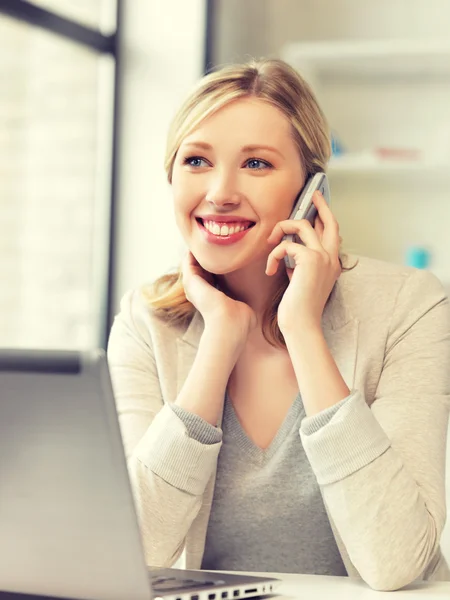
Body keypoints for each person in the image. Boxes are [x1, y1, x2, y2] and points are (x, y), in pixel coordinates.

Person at [107, 59, 450, 591]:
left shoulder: (410, 306)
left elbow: (397, 560)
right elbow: (131, 549)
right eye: (197, 160)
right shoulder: (144, 321)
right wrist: (220, 338)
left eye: (257, 165)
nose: (219, 192)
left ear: (311, 189)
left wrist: (303, 330)